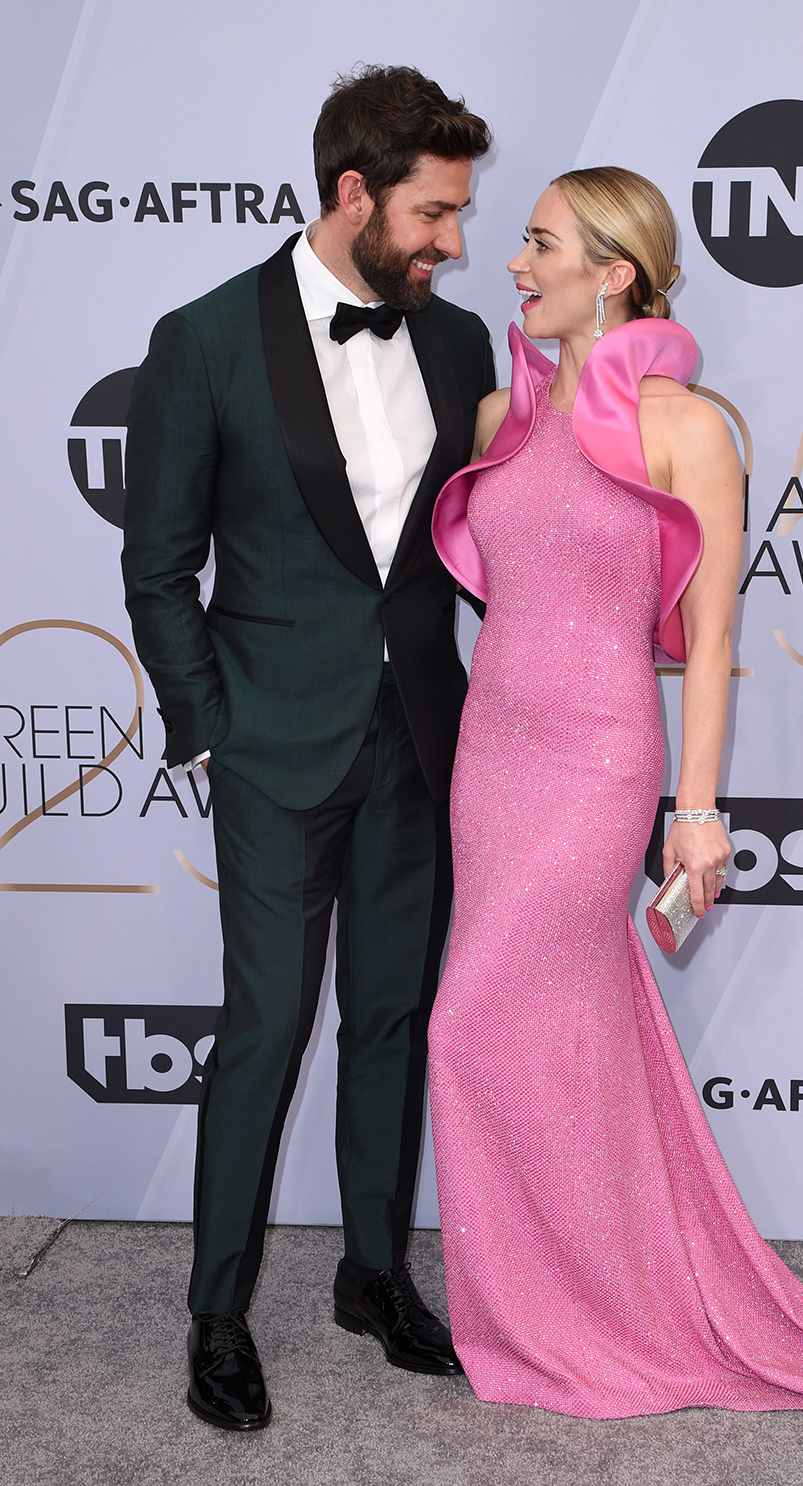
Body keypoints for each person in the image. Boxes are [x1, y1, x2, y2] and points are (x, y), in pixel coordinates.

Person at [427, 166, 803, 1418]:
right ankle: (554, 1306)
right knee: (559, 1037)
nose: (513, 263)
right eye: (517, 243)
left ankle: (594, 1309)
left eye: (539, 244)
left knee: (467, 1021)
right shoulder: (494, 418)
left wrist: (696, 809)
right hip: (493, 758)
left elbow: (713, 640)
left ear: (614, 271)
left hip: (598, 761)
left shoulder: (688, 428)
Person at [122, 65, 494, 1431]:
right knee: (268, 1023)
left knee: (390, 1013)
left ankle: (373, 1272)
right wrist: (209, 729)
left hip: (418, 736)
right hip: (273, 745)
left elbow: (461, 553)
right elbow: (157, 565)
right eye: (438, 212)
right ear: (357, 193)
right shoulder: (206, 337)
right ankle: (218, 1310)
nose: (457, 241)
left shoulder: (456, 347)